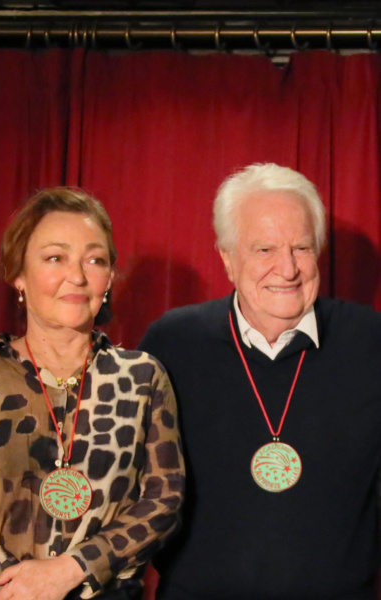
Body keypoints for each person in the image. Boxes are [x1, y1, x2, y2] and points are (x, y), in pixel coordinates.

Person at [139, 163, 381, 600]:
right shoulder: (172, 342)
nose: (287, 269)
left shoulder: (371, 341)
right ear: (228, 259)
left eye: (301, 248)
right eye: (265, 249)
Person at [0, 188, 184, 600]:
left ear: (109, 277)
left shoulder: (143, 377)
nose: (78, 276)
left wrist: (73, 569)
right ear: (18, 274)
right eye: (55, 258)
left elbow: (164, 501)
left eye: (95, 260)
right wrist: (14, 584)